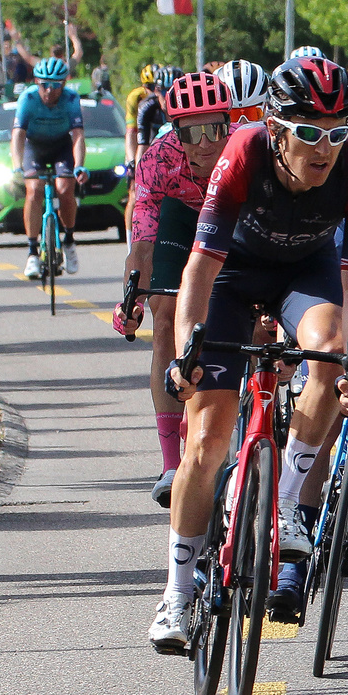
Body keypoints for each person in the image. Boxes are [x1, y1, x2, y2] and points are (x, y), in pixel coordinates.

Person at [148, 57, 348, 652]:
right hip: (232, 276)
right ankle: (176, 592)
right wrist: (185, 354)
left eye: (336, 129)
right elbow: (199, 269)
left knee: (331, 355)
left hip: (305, 273)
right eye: (309, 130)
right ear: (276, 129)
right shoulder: (244, 154)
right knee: (206, 437)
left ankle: (286, 503)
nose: (325, 146)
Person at [115, 71, 240, 506]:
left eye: (215, 128)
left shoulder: (248, 150)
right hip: (181, 217)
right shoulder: (158, 158)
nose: (205, 142)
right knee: (165, 317)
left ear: (231, 122)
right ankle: (172, 462)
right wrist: (133, 296)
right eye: (191, 131)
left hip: (230, 213)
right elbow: (143, 246)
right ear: (175, 131)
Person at [10, 57, 87, 278]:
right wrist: (17, 167)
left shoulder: (71, 99)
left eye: (56, 85)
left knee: (65, 190)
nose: (50, 90)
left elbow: (78, 136)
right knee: (33, 191)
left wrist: (79, 166)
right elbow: (18, 135)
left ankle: (69, 240)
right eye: (44, 84)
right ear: (36, 82)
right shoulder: (28, 98)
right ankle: (32, 252)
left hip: (61, 146)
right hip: (35, 147)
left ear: (64, 84)